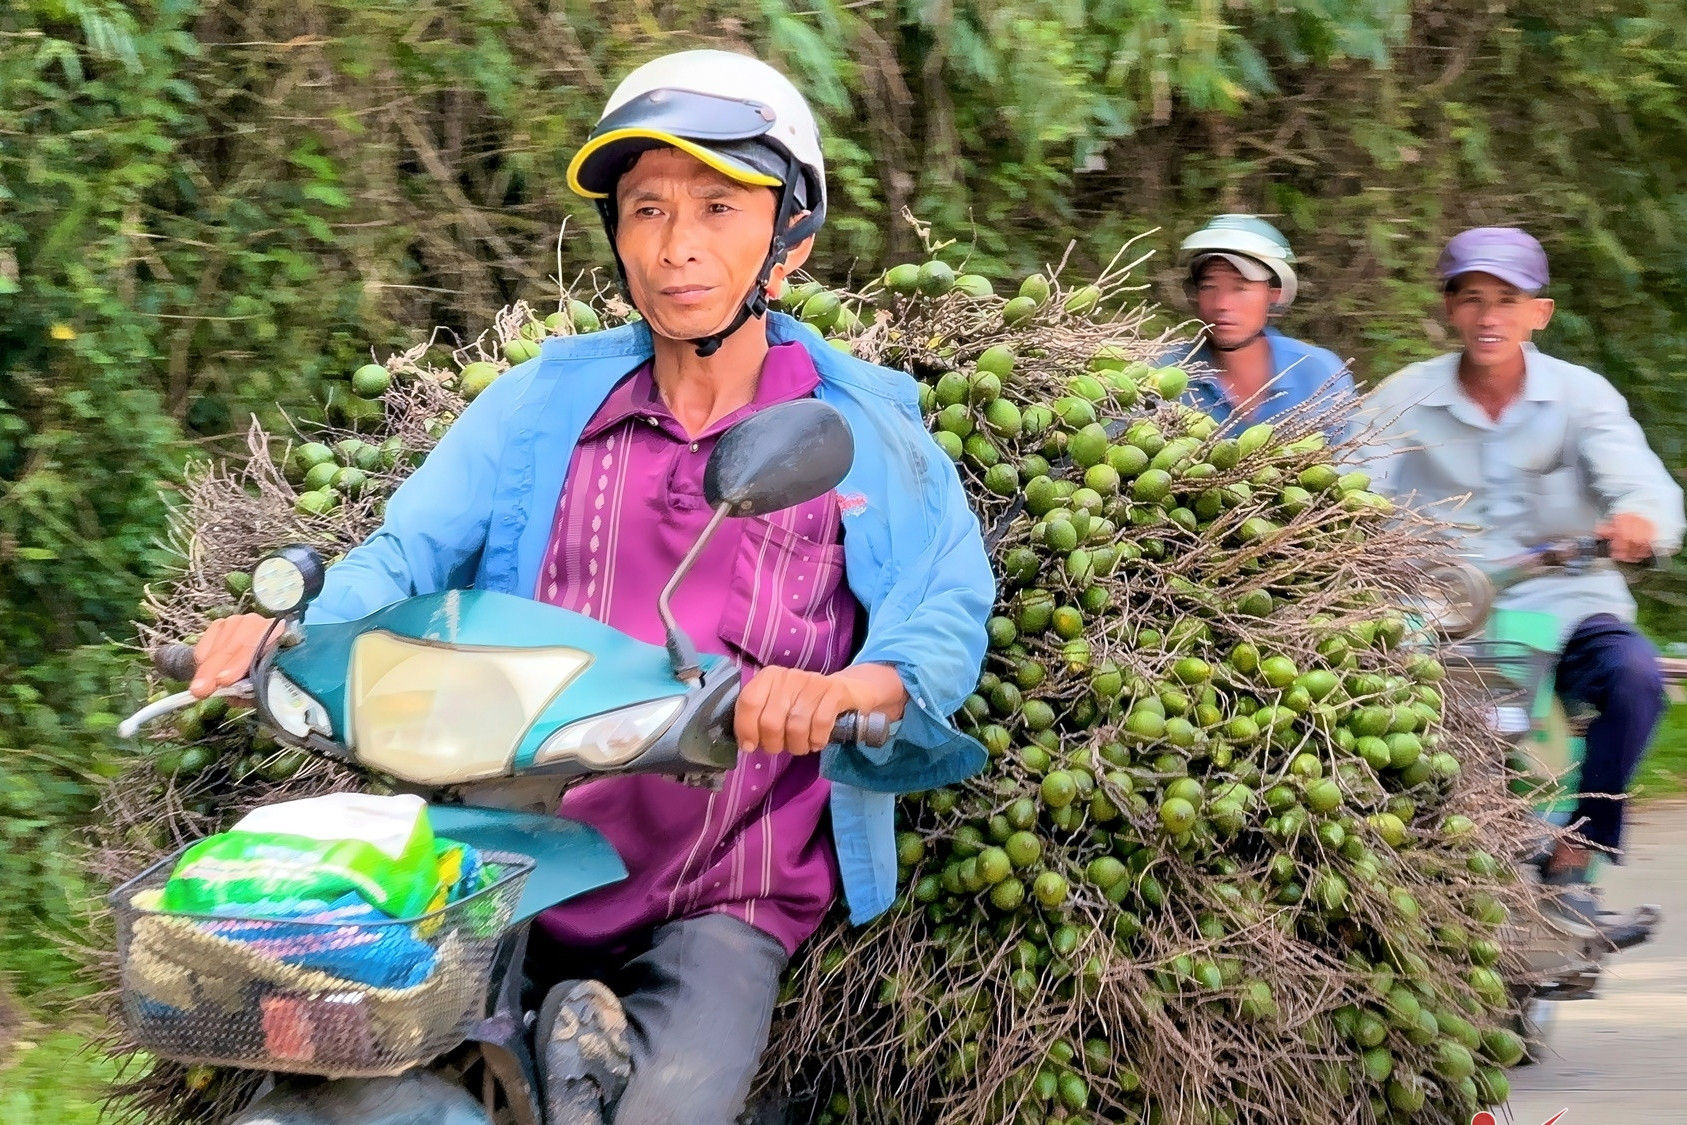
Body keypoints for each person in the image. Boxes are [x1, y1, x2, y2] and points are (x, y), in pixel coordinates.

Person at [187, 50, 994, 1125]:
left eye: (718, 206)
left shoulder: (860, 427)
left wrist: (852, 691)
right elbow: (406, 553)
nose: (677, 245)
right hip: (513, 845)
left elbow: (943, 608)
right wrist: (285, 627)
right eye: (646, 208)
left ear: (787, 239)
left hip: (725, 885)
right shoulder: (540, 405)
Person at [1360, 226, 1684, 934]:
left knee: (1634, 680)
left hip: (1568, 604)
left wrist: (1639, 518)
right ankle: (1427, 872)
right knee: (1402, 732)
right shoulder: (1403, 398)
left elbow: (1642, 483)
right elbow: (1351, 485)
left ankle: (1578, 848)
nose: (1488, 317)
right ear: (1448, 308)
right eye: (1471, 298)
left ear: (1539, 312)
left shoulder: (1579, 397)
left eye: (1507, 300)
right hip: (1450, 614)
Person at [1159, 214, 1356, 430]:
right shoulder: (1163, 372)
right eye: (1208, 287)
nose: (1222, 303)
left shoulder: (1319, 373)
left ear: (1274, 295)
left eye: (1240, 288)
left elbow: (1355, 457)